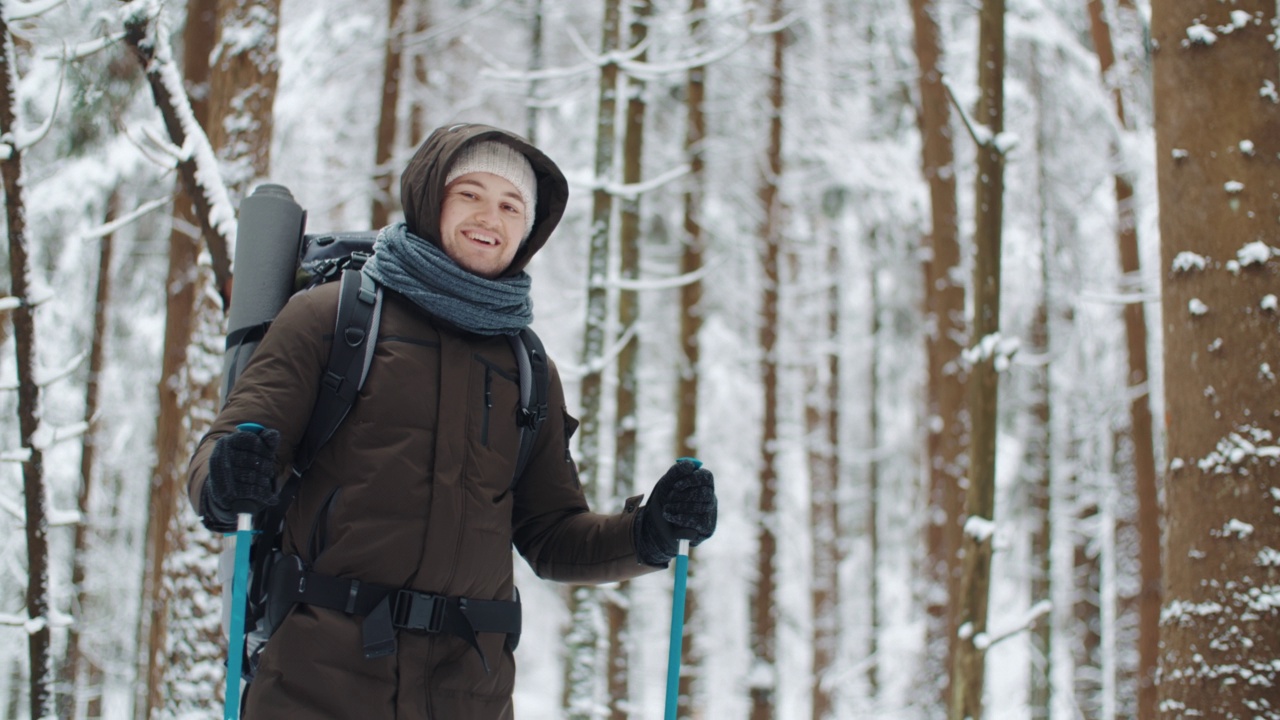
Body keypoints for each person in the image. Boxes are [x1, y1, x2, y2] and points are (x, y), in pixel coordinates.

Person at [186, 122, 718, 719]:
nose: (489, 216)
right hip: (318, 685)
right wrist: (229, 478)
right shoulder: (330, 318)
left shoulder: (529, 364)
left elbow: (550, 534)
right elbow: (224, 451)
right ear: (428, 196)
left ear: (529, 229)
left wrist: (649, 534)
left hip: (469, 694)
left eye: (511, 204)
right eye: (469, 193)